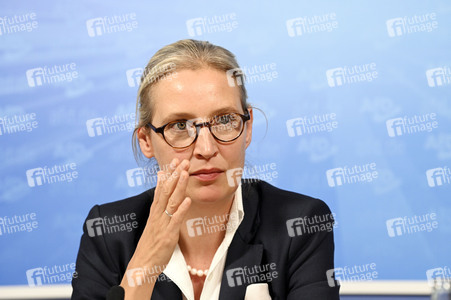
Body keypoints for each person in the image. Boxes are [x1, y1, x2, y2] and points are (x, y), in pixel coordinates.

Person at [71, 39, 339, 300]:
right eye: (179, 125)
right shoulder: (108, 231)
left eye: (224, 120)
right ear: (146, 140)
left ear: (247, 127)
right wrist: (145, 262)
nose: (206, 148)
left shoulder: (300, 224)